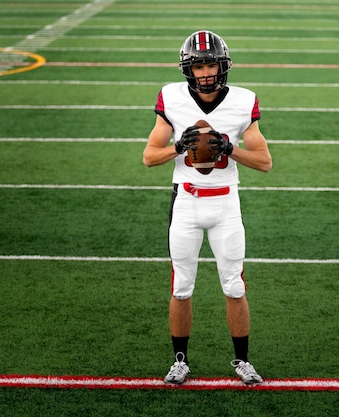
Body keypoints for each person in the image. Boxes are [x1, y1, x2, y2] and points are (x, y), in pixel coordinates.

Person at [143, 30, 272, 385]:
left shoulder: (243, 101)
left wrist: (231, 149)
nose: (205, 73)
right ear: (188, 69)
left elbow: (264, 162)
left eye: (210, 64)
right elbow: (149, 157)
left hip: (225, 204)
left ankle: (242, 361)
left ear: (222, 65)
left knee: (234, 286)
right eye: (198, 66)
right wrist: (177, 148)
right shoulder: (171, 97)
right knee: (181, 286)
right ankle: (180, 361)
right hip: (185, 202)